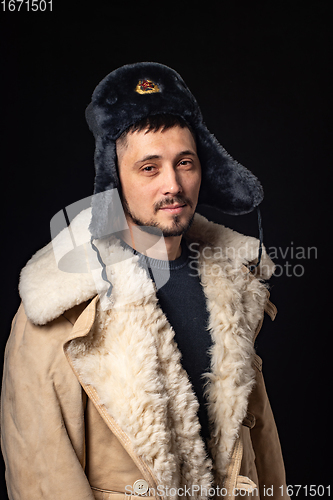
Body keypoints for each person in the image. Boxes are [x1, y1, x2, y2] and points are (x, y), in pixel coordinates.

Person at [1, 62, 289, 499]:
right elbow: (41, 474)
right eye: (149, 168)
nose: (173, 184)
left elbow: (260, 449)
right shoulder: (64, 306)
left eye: (184, 163)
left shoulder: (233, 286)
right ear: (116, 179)